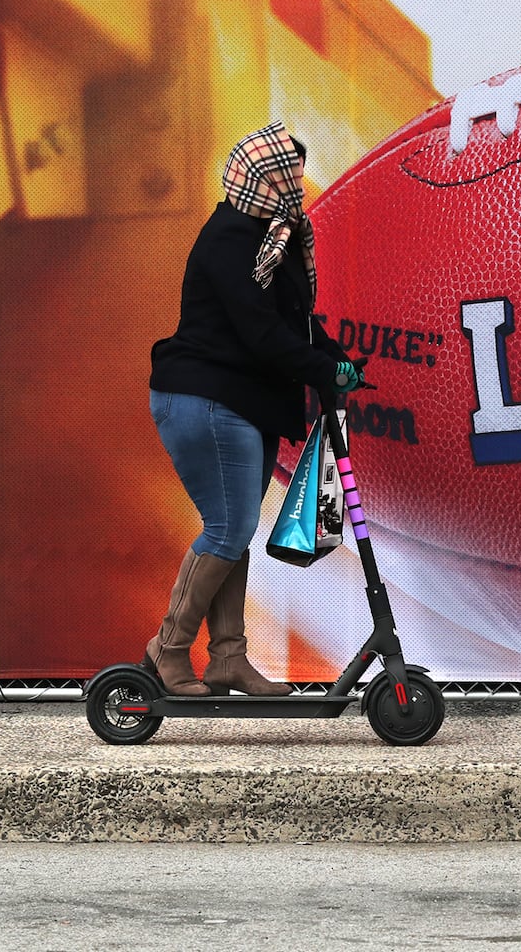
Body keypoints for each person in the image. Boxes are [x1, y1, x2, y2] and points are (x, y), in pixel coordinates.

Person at [143, 121, 363, 696]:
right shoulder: (230, 240)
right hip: (207, 397)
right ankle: (167, 651)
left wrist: (337, 359)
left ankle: (226, 660)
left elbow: (293, 324)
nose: (297, 182)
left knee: (233, 530)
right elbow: (260, 333)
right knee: (228, 527)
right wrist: (322, 369)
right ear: (261, 180)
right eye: (286, 174)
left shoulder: (277, 237)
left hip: (247, 400)